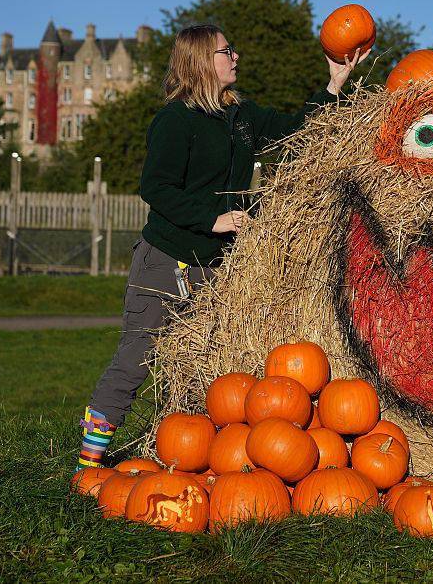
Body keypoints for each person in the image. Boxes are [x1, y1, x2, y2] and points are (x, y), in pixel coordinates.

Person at [77, 24, 367, 469]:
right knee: (136, 359)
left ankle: (194, 458)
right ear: (199, 62)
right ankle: (89, 464)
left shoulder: (241, 117)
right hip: (166, 262)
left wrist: (334, 85)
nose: (235, 57)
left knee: (210, 368)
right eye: (226, 51)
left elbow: (298, 131)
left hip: (217, 269)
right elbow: (156, 187)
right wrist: (210, 219)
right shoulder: (175, 121)